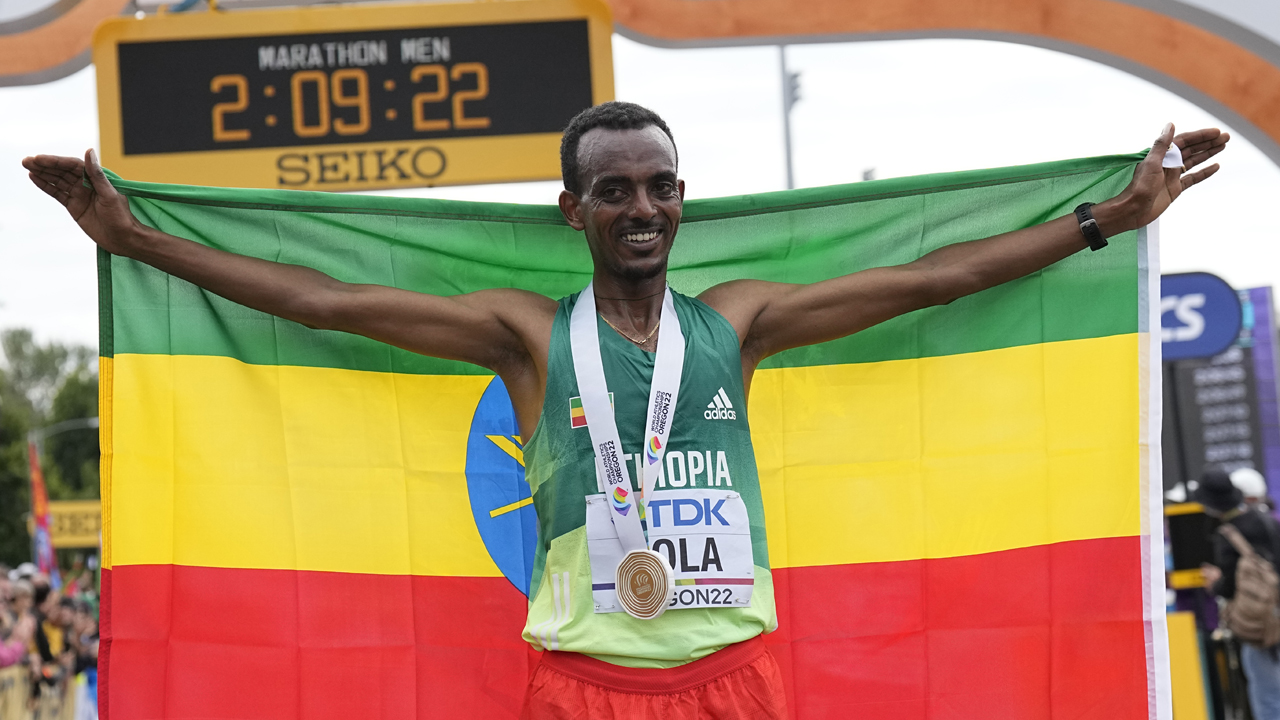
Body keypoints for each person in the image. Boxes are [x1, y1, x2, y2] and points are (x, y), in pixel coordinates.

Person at [23, 102, 1228, 719]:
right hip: (583, 684)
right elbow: (322, 301)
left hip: (732, 672)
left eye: (658, 186)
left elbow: (930, 280)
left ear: (681, 198)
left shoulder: (739, 322)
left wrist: (1105, 221)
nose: (640, 208)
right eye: (613, 191)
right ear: (574, 209)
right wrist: (136, 239)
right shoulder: (524, 336)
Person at [1198, 468, 1280, 720]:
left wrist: (1214, 582)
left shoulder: (1229, 534)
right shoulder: (1266, 520)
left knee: (1266, 692)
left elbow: (1229, 587)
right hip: (1275, 608)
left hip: (1258, 622)